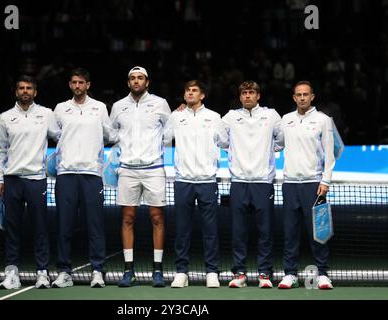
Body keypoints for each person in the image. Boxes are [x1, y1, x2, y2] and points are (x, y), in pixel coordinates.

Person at [51, 68, 118, 289]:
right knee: (64, 226)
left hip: (92, 174)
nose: (77, 86)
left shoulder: (99, 108)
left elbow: (110, 134)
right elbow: (53, 133)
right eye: (74, 82)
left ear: (88, 85)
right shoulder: (60, 109)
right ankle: (64, 272)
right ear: (70, 85)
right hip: (66, 174)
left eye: (81, 82)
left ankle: (98, 271)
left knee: (96, 226)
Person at [0, 75, 60, 289]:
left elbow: (61, 137)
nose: (25, 91)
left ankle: (42, 272)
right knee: (12, 228)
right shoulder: (4, 117)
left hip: (36, 180)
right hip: (11, 180)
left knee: (40, 228)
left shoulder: (46, 114)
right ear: (16, 91)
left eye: (29, 88)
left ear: (35, 92)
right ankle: (12, 273)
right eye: (21, 88)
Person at [110, 66, 171, 287]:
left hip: (154, 169)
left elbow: (169, 132)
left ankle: (157, 270)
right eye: (133, 78)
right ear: (128, 83)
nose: (136, 81)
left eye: (140, 78)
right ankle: (129, 270)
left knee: (157, 217)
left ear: (147, 82)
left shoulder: (160, 103)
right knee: (127, 218)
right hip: (127, 169)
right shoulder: (118, 106)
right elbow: (112, 133)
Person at [163, 80, 228, 288]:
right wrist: (173, 114)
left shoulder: (214, 117)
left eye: (194, 91)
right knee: (182, 230)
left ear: (202, 96)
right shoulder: (176, 116)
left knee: (210, 230)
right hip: (183, 181)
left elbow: (226, 143)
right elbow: (165, 139)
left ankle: (212, 272)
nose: (189, 93)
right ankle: (182, 272)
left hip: (208, 181)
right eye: (187, 91)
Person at [222, 80, 283, 289]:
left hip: (263, 182)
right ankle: (239, 273)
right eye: (244, 93)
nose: (248, 96)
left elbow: (282, 140)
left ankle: (265, 273)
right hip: (238, 182)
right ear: (240, 97)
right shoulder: (230, 117)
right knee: (238, 231)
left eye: (251, 92)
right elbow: (221, 140)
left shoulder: (272, 115)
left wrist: (263, 153)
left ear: (258, 96)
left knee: (265, 230)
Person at [278, 80, 335, 289]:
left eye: (306, 94)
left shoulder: (323, 120)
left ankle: (322, 274)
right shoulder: (285, 120)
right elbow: (277, 144)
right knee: (290, 232)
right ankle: (290, 274)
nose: (302, 98)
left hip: (314, 184)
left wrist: (326, 180)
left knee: (320, 231)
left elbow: (330, 153)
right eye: (298, 95)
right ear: (294, 98)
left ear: (312, 97)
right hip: (290, 184)